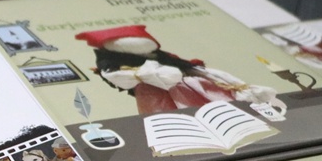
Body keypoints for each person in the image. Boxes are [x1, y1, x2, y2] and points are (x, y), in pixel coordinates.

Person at [77, 25, 282, 115]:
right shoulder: (117, 66)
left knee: (214, 101)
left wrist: (236, 85)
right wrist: (145, 74)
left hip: (187, 84)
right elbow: (120, 76)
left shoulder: (164, 58)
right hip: (153, 92)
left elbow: (189, 68)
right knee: (170, 118)